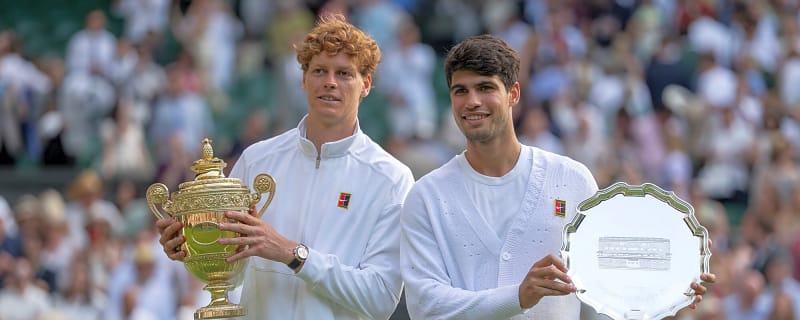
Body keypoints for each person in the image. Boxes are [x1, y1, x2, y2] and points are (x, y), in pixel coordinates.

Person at [400, 34, 715, 319]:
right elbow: (426, 307)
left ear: (513, 94)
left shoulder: (572, 179)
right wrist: (518, 297)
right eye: (461, 91)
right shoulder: (425, 196)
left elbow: (602, 294)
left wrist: (667, 296)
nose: (472, 102)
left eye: (485, 88)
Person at [156, 14, 414, 319]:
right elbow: (231, 269)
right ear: (304, 79)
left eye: (344, 73)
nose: (330, 82)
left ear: (365, 84)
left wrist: (294, 255)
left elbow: (380, 299)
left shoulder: (392, 179)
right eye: (319, 70)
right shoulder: (256, 160)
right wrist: (192, 246)